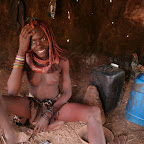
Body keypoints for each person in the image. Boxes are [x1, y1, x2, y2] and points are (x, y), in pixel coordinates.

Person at [0, 19, 106, 144]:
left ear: (50, 38)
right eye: (33, 42)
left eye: (43, 39)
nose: (39, 45)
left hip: (56, 106)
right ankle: (10, 136)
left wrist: (48, 114)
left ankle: (47, 122)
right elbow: (12, 91)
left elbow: (67, 93)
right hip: (32, 105)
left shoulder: (61, 60)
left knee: (94, 112)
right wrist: (21, 51)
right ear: (27, 44)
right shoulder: (27, 59)